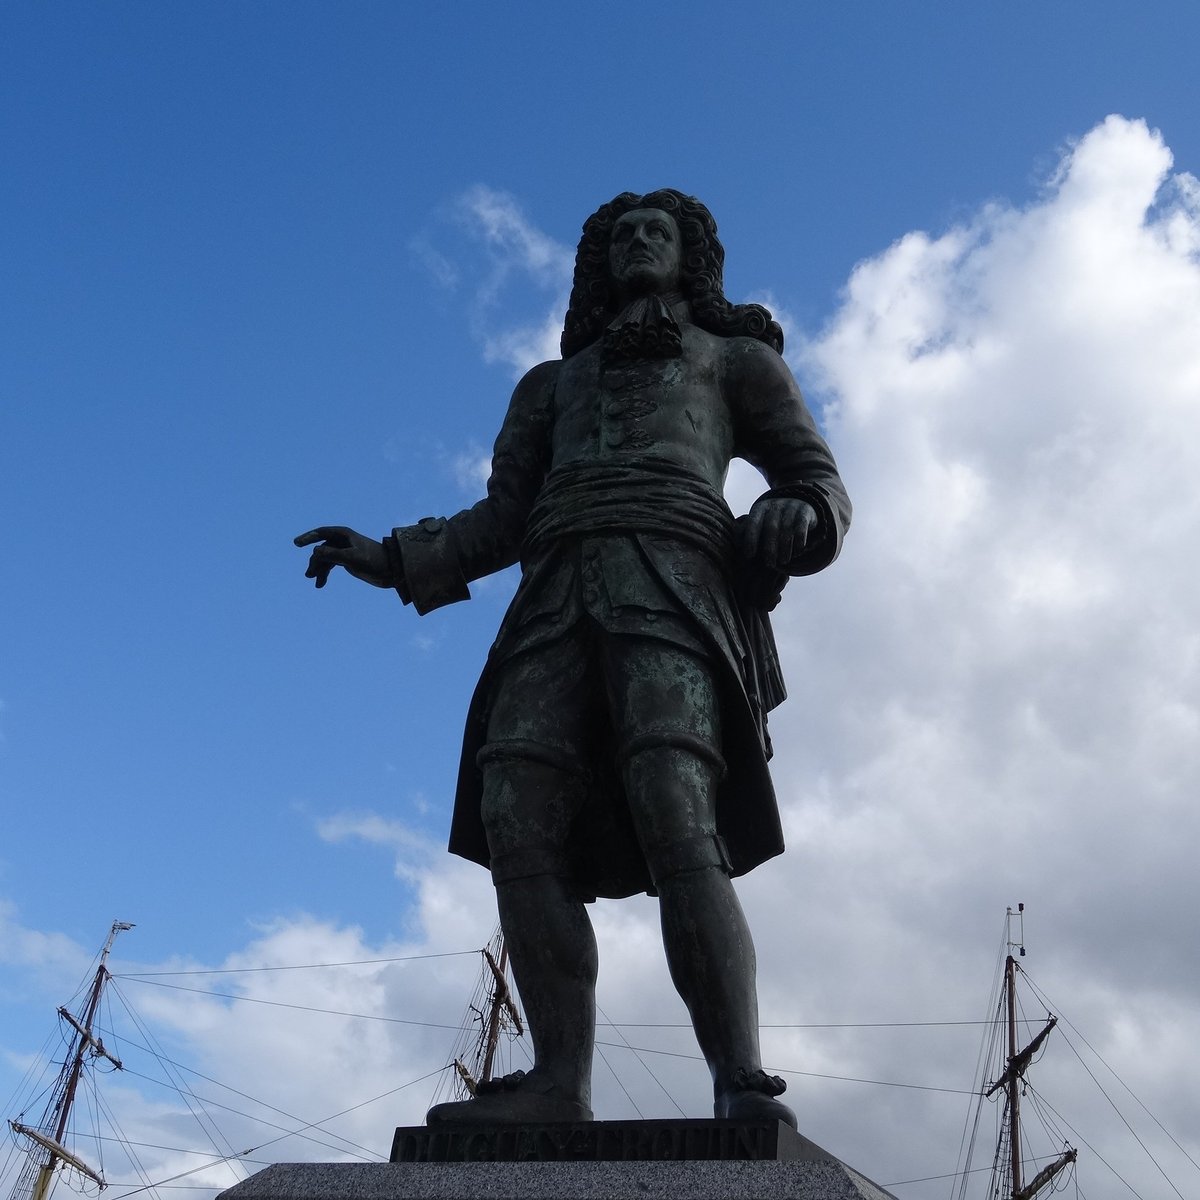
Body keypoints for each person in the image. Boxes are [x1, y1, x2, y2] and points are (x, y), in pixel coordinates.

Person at [296, 189, 850, 1129]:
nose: (639, 241)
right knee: (518, 823)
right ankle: (558, 1082)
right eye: (621, 233)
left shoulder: (736, 363)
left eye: (657, 231)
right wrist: (391, 558)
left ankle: (737, 1076)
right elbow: (503, 518)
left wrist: (794, 515)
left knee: (678, 814)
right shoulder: (547, 388)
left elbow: (817, 481)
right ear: (598, 262)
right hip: (550, 606)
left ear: (690, 257)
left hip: (672, 592)